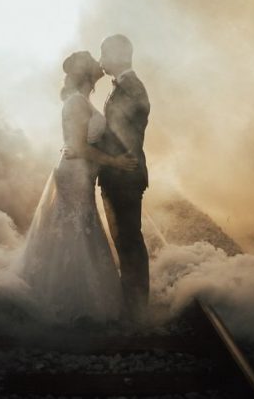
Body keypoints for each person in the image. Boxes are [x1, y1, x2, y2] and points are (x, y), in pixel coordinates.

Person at [15, 51, 138, 324]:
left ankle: (79, 294)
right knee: (75, 229)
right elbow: (80, 146)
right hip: (74, 174)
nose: (99, 63)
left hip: (81, 172)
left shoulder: (83, 101)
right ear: (85, 72)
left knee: (81, 228)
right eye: (94, 61)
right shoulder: (75, 103)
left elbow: (79, 142)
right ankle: (67, 298)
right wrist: (115, 162)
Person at [94, 34, 150, 320]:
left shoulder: (131, 88)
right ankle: (133, 302)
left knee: (129, 241)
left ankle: (137, 308)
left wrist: (95, 153)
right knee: (125, 240)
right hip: (118, 175)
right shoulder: (122, 87)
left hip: (124, 176)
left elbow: (125, 135)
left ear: (117, 55)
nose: (101, 59)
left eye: (103, 53)